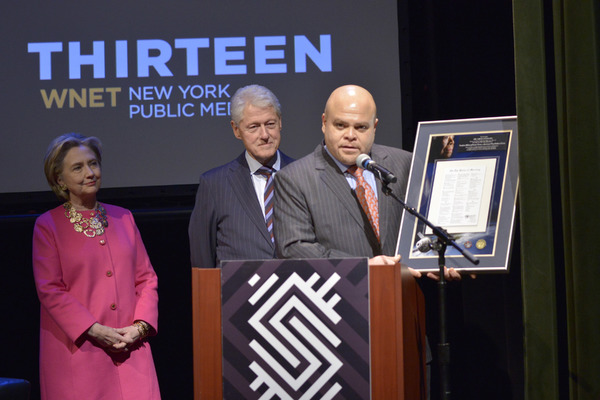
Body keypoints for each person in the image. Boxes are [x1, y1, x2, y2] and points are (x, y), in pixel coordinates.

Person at [32, 133, 161, 400]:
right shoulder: (48, 225)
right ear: (59, 179)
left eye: (93, 164)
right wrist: (93, 329)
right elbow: (50, 290)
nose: (90, 173)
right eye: (77, 168)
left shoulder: (123, 217)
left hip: (131, 349)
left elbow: (146, 279)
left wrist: (140, 327)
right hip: (80, 352)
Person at [188, 84, 294, 268]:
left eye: (270, 124)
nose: (265, 135)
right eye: (253, 127)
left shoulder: (303, 174)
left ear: (280, 122)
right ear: (236, 130)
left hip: (299, 290)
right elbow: (202, 263)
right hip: (239, 293)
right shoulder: (215, 185)